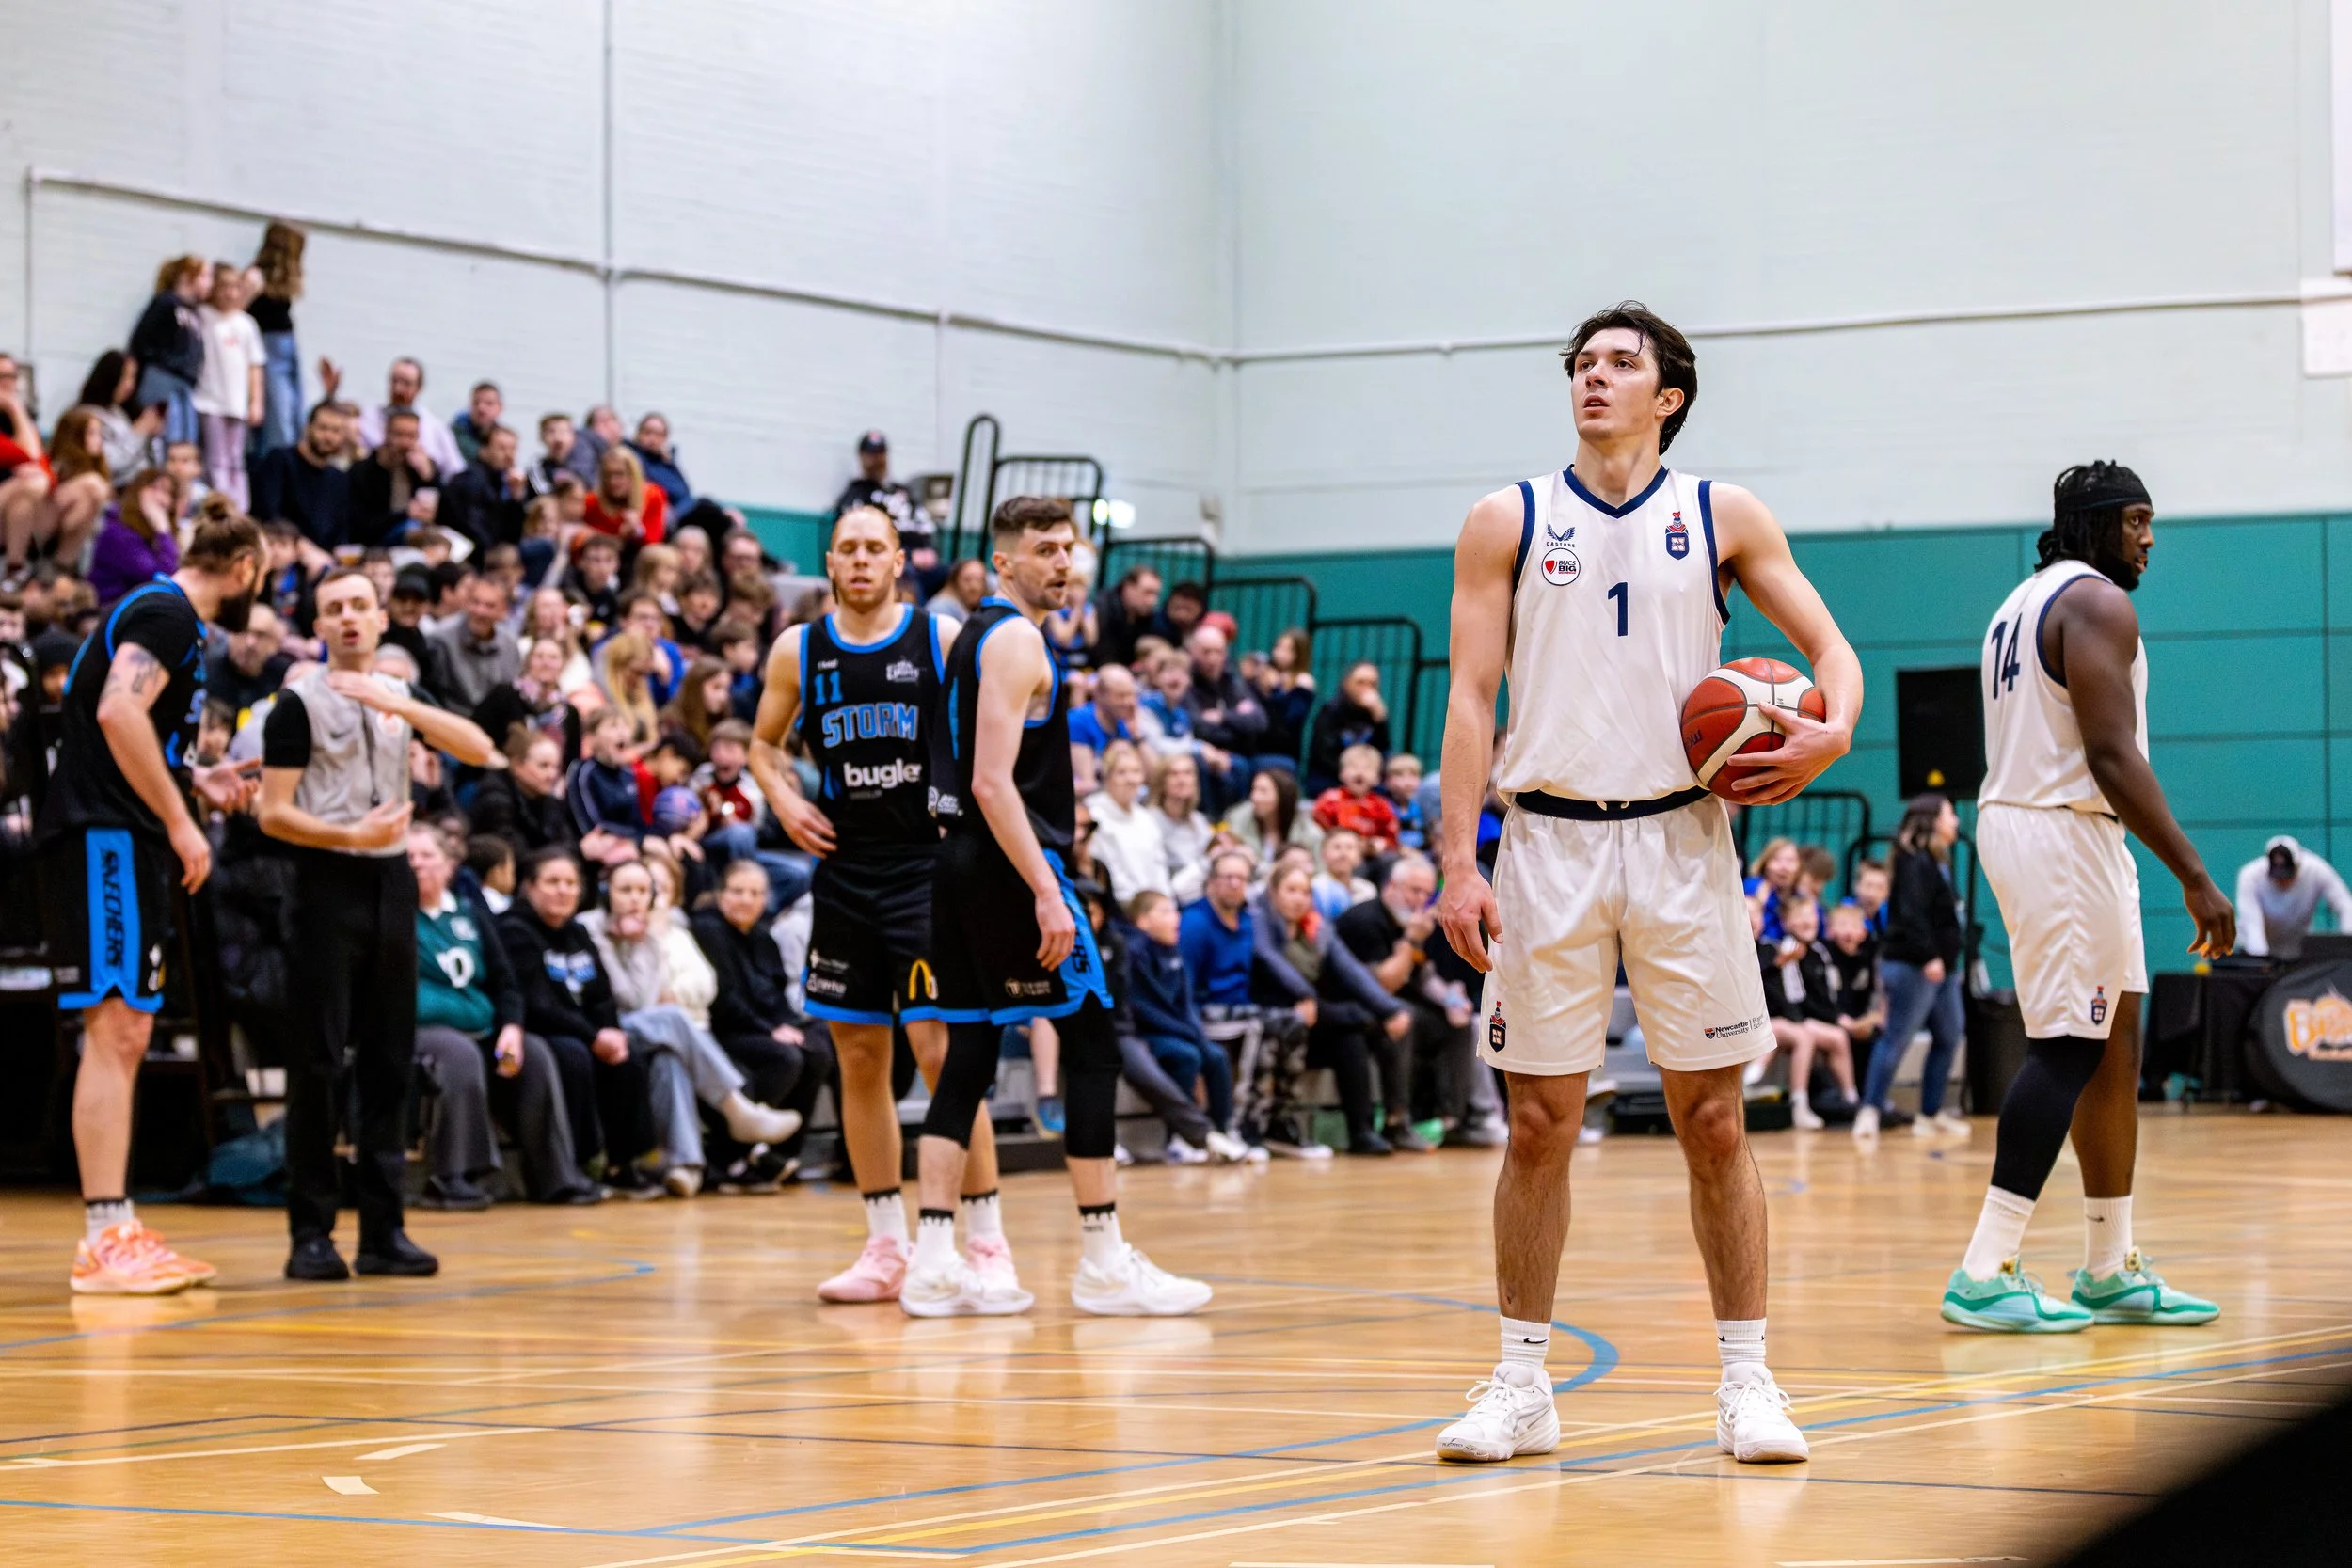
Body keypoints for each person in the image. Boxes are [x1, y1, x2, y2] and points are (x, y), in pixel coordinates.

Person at [1434, 302, 1859, 1465]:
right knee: (1535, 1123)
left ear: (1668, 393)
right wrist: (1457, 861)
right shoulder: (1504, 518)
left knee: (1714, 1120)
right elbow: (1471, 697)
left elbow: (1834, 655)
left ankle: (1748, 1378)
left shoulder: (1720, 512)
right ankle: (1521, 1381)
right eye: (1581, 363)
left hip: (1682, 840)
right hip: (1547, 845)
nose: (1594, 377)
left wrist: (1833, 732)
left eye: (1620, 364)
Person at [1944, 461, 2234, 1332]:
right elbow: (2112, 755)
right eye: (2137, 520)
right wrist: (2195, 875)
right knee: (2070, 1044)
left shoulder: (2021, 600)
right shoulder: (2098, 602)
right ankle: (1985, 1269)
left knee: (2116, 1038)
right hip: (2060, 827)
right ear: (2096, 523)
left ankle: (2110, 1264)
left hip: (2053, 825)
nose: (2150, 537)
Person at [912, 494, 1212, 1317]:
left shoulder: (972, 634)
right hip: (1013, 864)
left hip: (957, 864)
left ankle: (933, 1261)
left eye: (1068, 548)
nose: (1062, 563)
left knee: (969, 1055)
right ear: (1002, 562)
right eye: (1044, 549)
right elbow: (988, 779)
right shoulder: (1015, 639)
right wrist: (1048, 888)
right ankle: (1104, 1260)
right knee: (1092, 1045)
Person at [748, 503, 1007, 1302]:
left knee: (940, 1050)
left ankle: (988, 1243)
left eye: (875, 548)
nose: (860, 560)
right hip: (847, 871)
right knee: (859, 1057)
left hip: (928, 872)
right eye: (847, 549)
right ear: (830, 562)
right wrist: (783, 799)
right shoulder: (801, 648)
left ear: (898, 560)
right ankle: (885, 1246)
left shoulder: (938, 638)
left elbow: (988, 741)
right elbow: (763, 743)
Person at [36, 508, 265, 1293]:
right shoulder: (167, 612)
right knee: (116, 1026)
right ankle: (105, 1235)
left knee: (126, 1028)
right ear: (242, 568)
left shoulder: (163, 617)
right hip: (108, 835)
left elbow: (128, 725)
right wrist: (180, 821)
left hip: (121, 834)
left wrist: (195, 780)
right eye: (259, 579)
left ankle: (116, 1223)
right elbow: (116, 711)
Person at [258, 566, 498, 1280]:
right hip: (325, 882)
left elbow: (481, 748)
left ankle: (384, 1230)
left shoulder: (400, 694)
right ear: (321, 626)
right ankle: (310, 1233)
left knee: (390, 1059)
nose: (351, 617)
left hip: (392, 881)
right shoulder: (295, 704)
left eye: (361, 604)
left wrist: (406, 707)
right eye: (336, 608)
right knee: (320, 1062)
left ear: (381, 617)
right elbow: (273, 812)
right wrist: (347, 838)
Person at [405, 821, 597, 1209]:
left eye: (427, 856)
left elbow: (507, 982)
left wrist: (511, 1027)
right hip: (420, 1032)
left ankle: (553, 1176)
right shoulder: (393, 917)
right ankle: (451, 1176)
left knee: (535, 1055)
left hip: (484, 1031)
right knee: (460, 1055)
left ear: (449, 865)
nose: (418, 865)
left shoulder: (470, 915)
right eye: (408, 857)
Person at [584, 859, 803, 1196]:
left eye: (642, 891)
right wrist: (634, 945)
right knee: (674, 1019)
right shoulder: (590, 928)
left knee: (671, 1058)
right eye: (625, 890)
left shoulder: (654, 935)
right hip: (601, 1029)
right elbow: (627, 996)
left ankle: (686, 1166)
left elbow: (668, 993)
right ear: (606, 893)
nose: (634, 899)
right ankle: (736, 1110)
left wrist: (646, 943)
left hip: (641, 1029)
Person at [499, 847, 659, 1198]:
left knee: (628, 1053)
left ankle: (623, 1163)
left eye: (570, 882)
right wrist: (593, 1035)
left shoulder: (577, 931)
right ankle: (576, 1163)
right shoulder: (514, 930)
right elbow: (537, 1003)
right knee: (573, 1056)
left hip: (584, 1030)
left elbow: (601, 993)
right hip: (538, 1031)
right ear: (530, 886)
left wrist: (611, 1030)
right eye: (552, 881)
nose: (563, 890)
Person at [1338, 853, 1501, 1149]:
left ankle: (1455, 1120)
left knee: (1458, 1028)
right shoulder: (1365, 920)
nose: (1420, 900)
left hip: (1393, 1005)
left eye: (1427, 893)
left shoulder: (1405, 919)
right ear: (1391, 886)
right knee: (1404, 1018)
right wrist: (1412, 941)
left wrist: (1452, 1000)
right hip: (1353, 1008)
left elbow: (1424, 975)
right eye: (1414, 891)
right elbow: (1383, 984)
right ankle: (1396, 1123)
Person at [689, 859, 835, 1187]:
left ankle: (784, 1155)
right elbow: (725, 999)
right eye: (738, 891)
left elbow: (776, 995)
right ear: (721, 894)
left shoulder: (762, 935)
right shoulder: (708, 930)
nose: (746, 899)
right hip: (724, 1031)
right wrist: (772, 1030)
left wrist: (789, 1025)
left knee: (818, 1049)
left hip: (760, 1026)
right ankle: (733, 1151)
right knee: (784, 1057)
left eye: (755, 893)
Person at [1182, 847, 1317, 1157]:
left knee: (1292, 1022)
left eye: (1240, 878)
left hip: (1241, 1007)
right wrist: (1193, 1032)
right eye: (1227, 877)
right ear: (1211, 882)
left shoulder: (1247, 920)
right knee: (1261, 1024)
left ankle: (1279, 1120)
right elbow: (1184, 985)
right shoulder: (1196, 922)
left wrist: (1304, 995)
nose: (1234, 884)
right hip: (1206, 1010)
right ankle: (1242, 1126)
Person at [1854, 795, 1966, 1139]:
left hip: (1941, 968)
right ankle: (1869, 1111)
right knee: (1897, 1038)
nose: (1956, 822)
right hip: (1914, 965)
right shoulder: (1914, 861)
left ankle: (1929, 1114)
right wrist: (1929, 955)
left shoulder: (1935, 861)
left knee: (1949, 1034)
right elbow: (1912, 913)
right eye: (1950, 815)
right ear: (1932, 820)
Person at [1123, 890, 1256, 1163]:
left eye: (1175, 911)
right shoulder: (1134, 954)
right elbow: (1140, 1007)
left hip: (1178, 1032)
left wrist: (1195, 1032)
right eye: (1165, 912)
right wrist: (1186, 1033)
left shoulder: (1175, 952)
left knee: (1216, 1056)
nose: (1176, 918)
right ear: (1143, 921)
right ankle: (1179, 1138)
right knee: (1186, 1055)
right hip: (1146, 1035)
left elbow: (1187, 1004)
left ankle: (1220, 1133)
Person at [1758, 896, 1856, 1131]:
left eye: (1810, 915)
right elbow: (1793, 997)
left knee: (1839, 1037)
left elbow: (1829, 994)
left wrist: (1835, 1019)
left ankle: (1851, 1099)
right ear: (1786, 922)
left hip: (1810, 1019)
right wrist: (1802, 1022)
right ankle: (1799, 1104)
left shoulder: (1820, 951)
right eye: (1799, 917)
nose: (1807, 921)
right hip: (1793, 1019)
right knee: (1811, 1036)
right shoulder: (1787, 951)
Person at [193, 261, 264, 509]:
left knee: (235, 461)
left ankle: (238, 507)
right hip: (209, 400)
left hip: (237, 403)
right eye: (224, 287)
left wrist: (256, 401)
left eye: (235, 287)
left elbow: (255, 365)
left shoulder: (246, 323)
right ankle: (218, 505)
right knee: (215, 460)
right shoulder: (203, 316)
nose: (230, 293)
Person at [828, 430, 938, 591]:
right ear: (861, 457)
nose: (877, 459)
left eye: (880, 453)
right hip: (890, 559)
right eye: (871, 454)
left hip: (922, 556)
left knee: (956, 573)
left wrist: (930, 550)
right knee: (905, 576)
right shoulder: (855, 494)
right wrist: (908, 554)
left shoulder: (903, 491)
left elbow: (925, 523)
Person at [128, 256, 210, 447]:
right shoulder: (166, 303)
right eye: (204, 276)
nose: (209, 283)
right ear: (187, 277)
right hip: (162, 377)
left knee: (182, 439)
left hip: (185, 384)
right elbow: (141, 340)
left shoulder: (195, 312)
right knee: (160, 437)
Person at [249, 403, 354, 548]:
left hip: (324, 561)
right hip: (282, 550)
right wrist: (304, 549)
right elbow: (269, 516)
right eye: (323, 428)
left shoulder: (339, 478)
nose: (328, 436)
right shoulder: (280, 460)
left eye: (336, 431)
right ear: (307, 427)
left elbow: (341, 531)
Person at [2233, 835, 2352, 961]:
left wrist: (2348, 949)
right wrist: (2262, 963)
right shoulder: (2250, 876)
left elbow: (2346, 906)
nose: (2283, 881)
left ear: (2298, 865)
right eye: (2278, 876)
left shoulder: (2316, 870)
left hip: (2297, 952)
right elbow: (2252, 926)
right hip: (2255, 953)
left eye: (2288, 875)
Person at [1084, 739, 1170, 907]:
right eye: (1121, 772)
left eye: (1136, 772)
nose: (1131, 779)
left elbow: (1159, 867)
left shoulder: (1146, 818)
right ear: (1107, 777)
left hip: (1154, 907)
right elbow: (1108, 871)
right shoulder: (1094, 814)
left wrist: (1163, 903)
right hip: (1119, 906)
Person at [472, 636, 583, 767]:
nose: (546, 663)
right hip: (501, 775)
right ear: (528, 661)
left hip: (549, 781)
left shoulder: (569, 712)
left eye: (553, 658)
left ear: (563, 665)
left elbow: (571, 760)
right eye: (539, 656)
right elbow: (477, 734)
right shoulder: (504, 695)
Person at [246, 221, 307, 456]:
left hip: (286, 348)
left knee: (294, 413)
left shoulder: (283, 281)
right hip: (268, 349)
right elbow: (238, 312)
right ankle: (274, 461)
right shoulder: (256, 277)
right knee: (278, 418)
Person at [354, 358, 466, 478]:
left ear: (419, 388)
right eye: (394, 381)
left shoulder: (435, 428)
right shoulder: (369, 417)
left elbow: (456, 472)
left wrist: (430, 474)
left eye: (406, 383)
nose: (398, 389)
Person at [347, 409, 442, 547]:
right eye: (399, 435)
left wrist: (429, 477)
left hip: (421, 538)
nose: (405, 443)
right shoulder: (362, 471)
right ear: (386, 434)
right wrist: (405, 514)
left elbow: (446, 514)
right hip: (377, 543)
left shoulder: (420, 466)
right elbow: (360, 524)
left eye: (411, 436)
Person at [431, 573, 523, 712]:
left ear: (503, 611)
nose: (480, 611)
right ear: (466, 602)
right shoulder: (440, 639)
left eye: (489, 606)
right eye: (475, 602)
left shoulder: (510, 646)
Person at [1305, 660, 1393, 795]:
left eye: (1372, 684)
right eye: (1360, 682)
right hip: (1332, 776)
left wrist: (1380, 721)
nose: (1367, 688)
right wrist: (1350, 773)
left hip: (1366, 778)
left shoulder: (1376, 714)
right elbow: (1323, 753)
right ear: (1347, 684)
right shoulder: (1330, 710)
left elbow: (1383, 751)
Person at [439, 422, 529, 551]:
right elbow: (475, 529)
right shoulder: (470, 480)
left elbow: (513, 534)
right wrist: (494, 553)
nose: (509, 455)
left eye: (513, 449)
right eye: (502, 448)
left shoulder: (503, 481)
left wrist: (516, 498)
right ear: (484, 450)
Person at [1148, 752, 1215, 903]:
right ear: (1162, 782)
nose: (1182, 780)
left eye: (1187, 773)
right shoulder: (1150, 820)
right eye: (1174, 774)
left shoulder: (1198, 820)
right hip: (1171, 896)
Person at [1313, 742, 1402, 853]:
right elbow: (1319, 831)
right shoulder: (1329, 800)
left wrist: (1381, 844)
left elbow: (1392, 838)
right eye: (1353, 767)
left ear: (1377, 778)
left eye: (1367, 769)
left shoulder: (1382, 806)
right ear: (1341, 773)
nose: (1360, 773)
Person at [1224, 766, 1322, 863]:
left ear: (1282, 796)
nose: (1255, 797)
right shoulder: (1238, 822)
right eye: (1254, 790)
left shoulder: (1308, 833)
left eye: (1263, 791)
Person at [628, 413, 693, 513]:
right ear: (639, 434)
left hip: (680, 510)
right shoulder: (633, 457)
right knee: (705, 506)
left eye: (658, 434)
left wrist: (670, 463)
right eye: (648, 432)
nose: (652, 439)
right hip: (662, 513)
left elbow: (685, 490)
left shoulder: (665, 460)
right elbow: (669, 490)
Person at [451, 382, 501, 467]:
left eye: (489, 403)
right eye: (476, 403)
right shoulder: (458, 429)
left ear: (500, 408)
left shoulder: (500, 433)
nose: (481, 408)